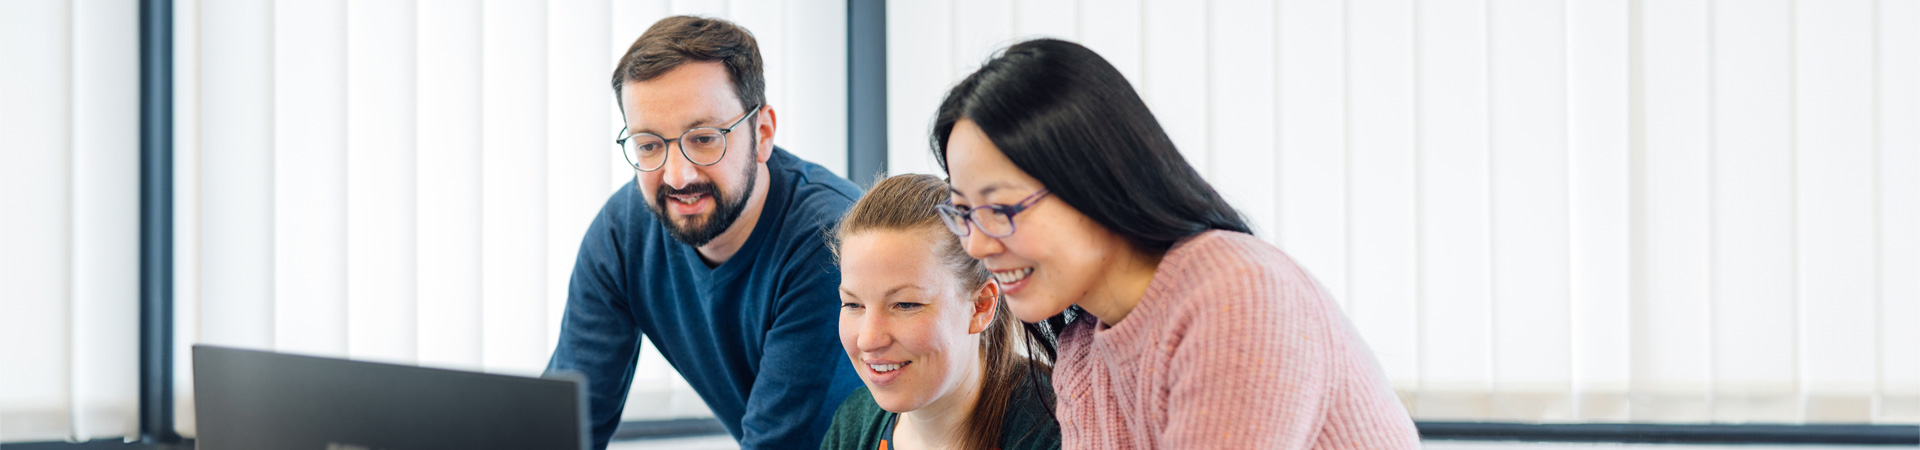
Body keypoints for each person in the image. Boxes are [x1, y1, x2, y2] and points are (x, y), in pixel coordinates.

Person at [928, 38, 1421, 449]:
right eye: (964, 213)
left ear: (1095, 180)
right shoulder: (1084, 349)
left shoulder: (1236, 296)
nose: (976, 244)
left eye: (999, 210)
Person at [545, 16, 863, 450]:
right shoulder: (623, 233)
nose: (677, 176)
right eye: (649, 144)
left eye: (704, 138)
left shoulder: (830, 242)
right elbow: (566, 426)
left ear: (763, 133)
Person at [822, 174, 1060, 450]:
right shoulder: (854, 422)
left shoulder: (1056, 431)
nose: (868, 340)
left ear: (981, 306)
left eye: (905, 305)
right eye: (853, 305)